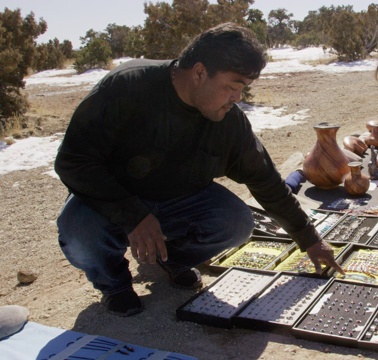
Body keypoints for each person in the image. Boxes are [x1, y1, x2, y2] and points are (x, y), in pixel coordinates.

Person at [55, 23, 343, 317]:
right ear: (199, 72)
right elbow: (73, 161)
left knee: (236, 222)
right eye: (232, 86)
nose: (237, 98)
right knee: (79, 230)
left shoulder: (229, 121)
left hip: (178, 203)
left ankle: (172, 259)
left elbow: (266, 181)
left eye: (243, 88)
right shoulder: (127, 87)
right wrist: (133, 215)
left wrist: (310, 239)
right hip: (114, 200)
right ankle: (114, 285)